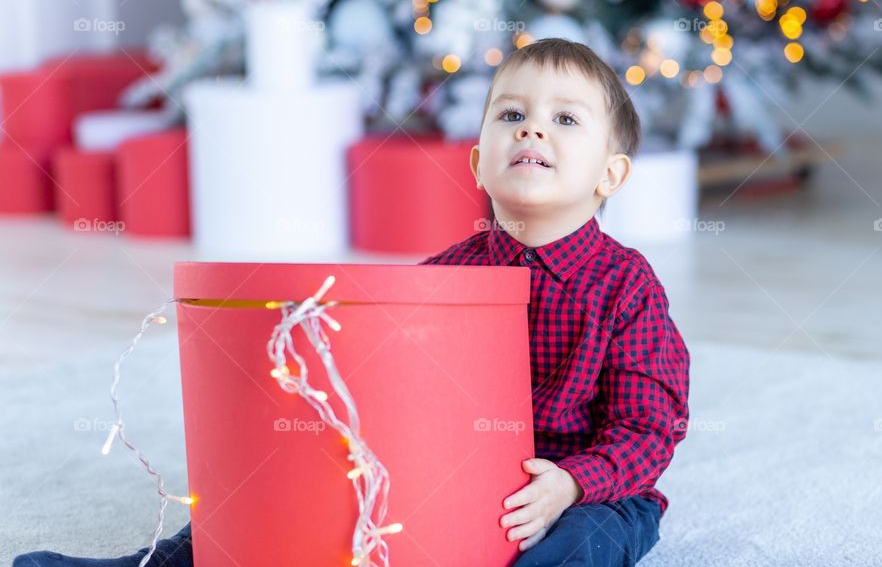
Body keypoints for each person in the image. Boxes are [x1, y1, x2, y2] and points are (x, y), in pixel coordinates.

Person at [14, 38, 690, 567]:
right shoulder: (441, 278)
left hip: (589, 487)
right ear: (479, 160)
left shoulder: (626, 286)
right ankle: (156, 564)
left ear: (611, 173)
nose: (532, 131)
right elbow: (389, 393)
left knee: (584, 544)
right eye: (512, 115)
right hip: (462, 477)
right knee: (262, 503)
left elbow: (648, 428)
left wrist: (574, 483)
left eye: (564, 119)